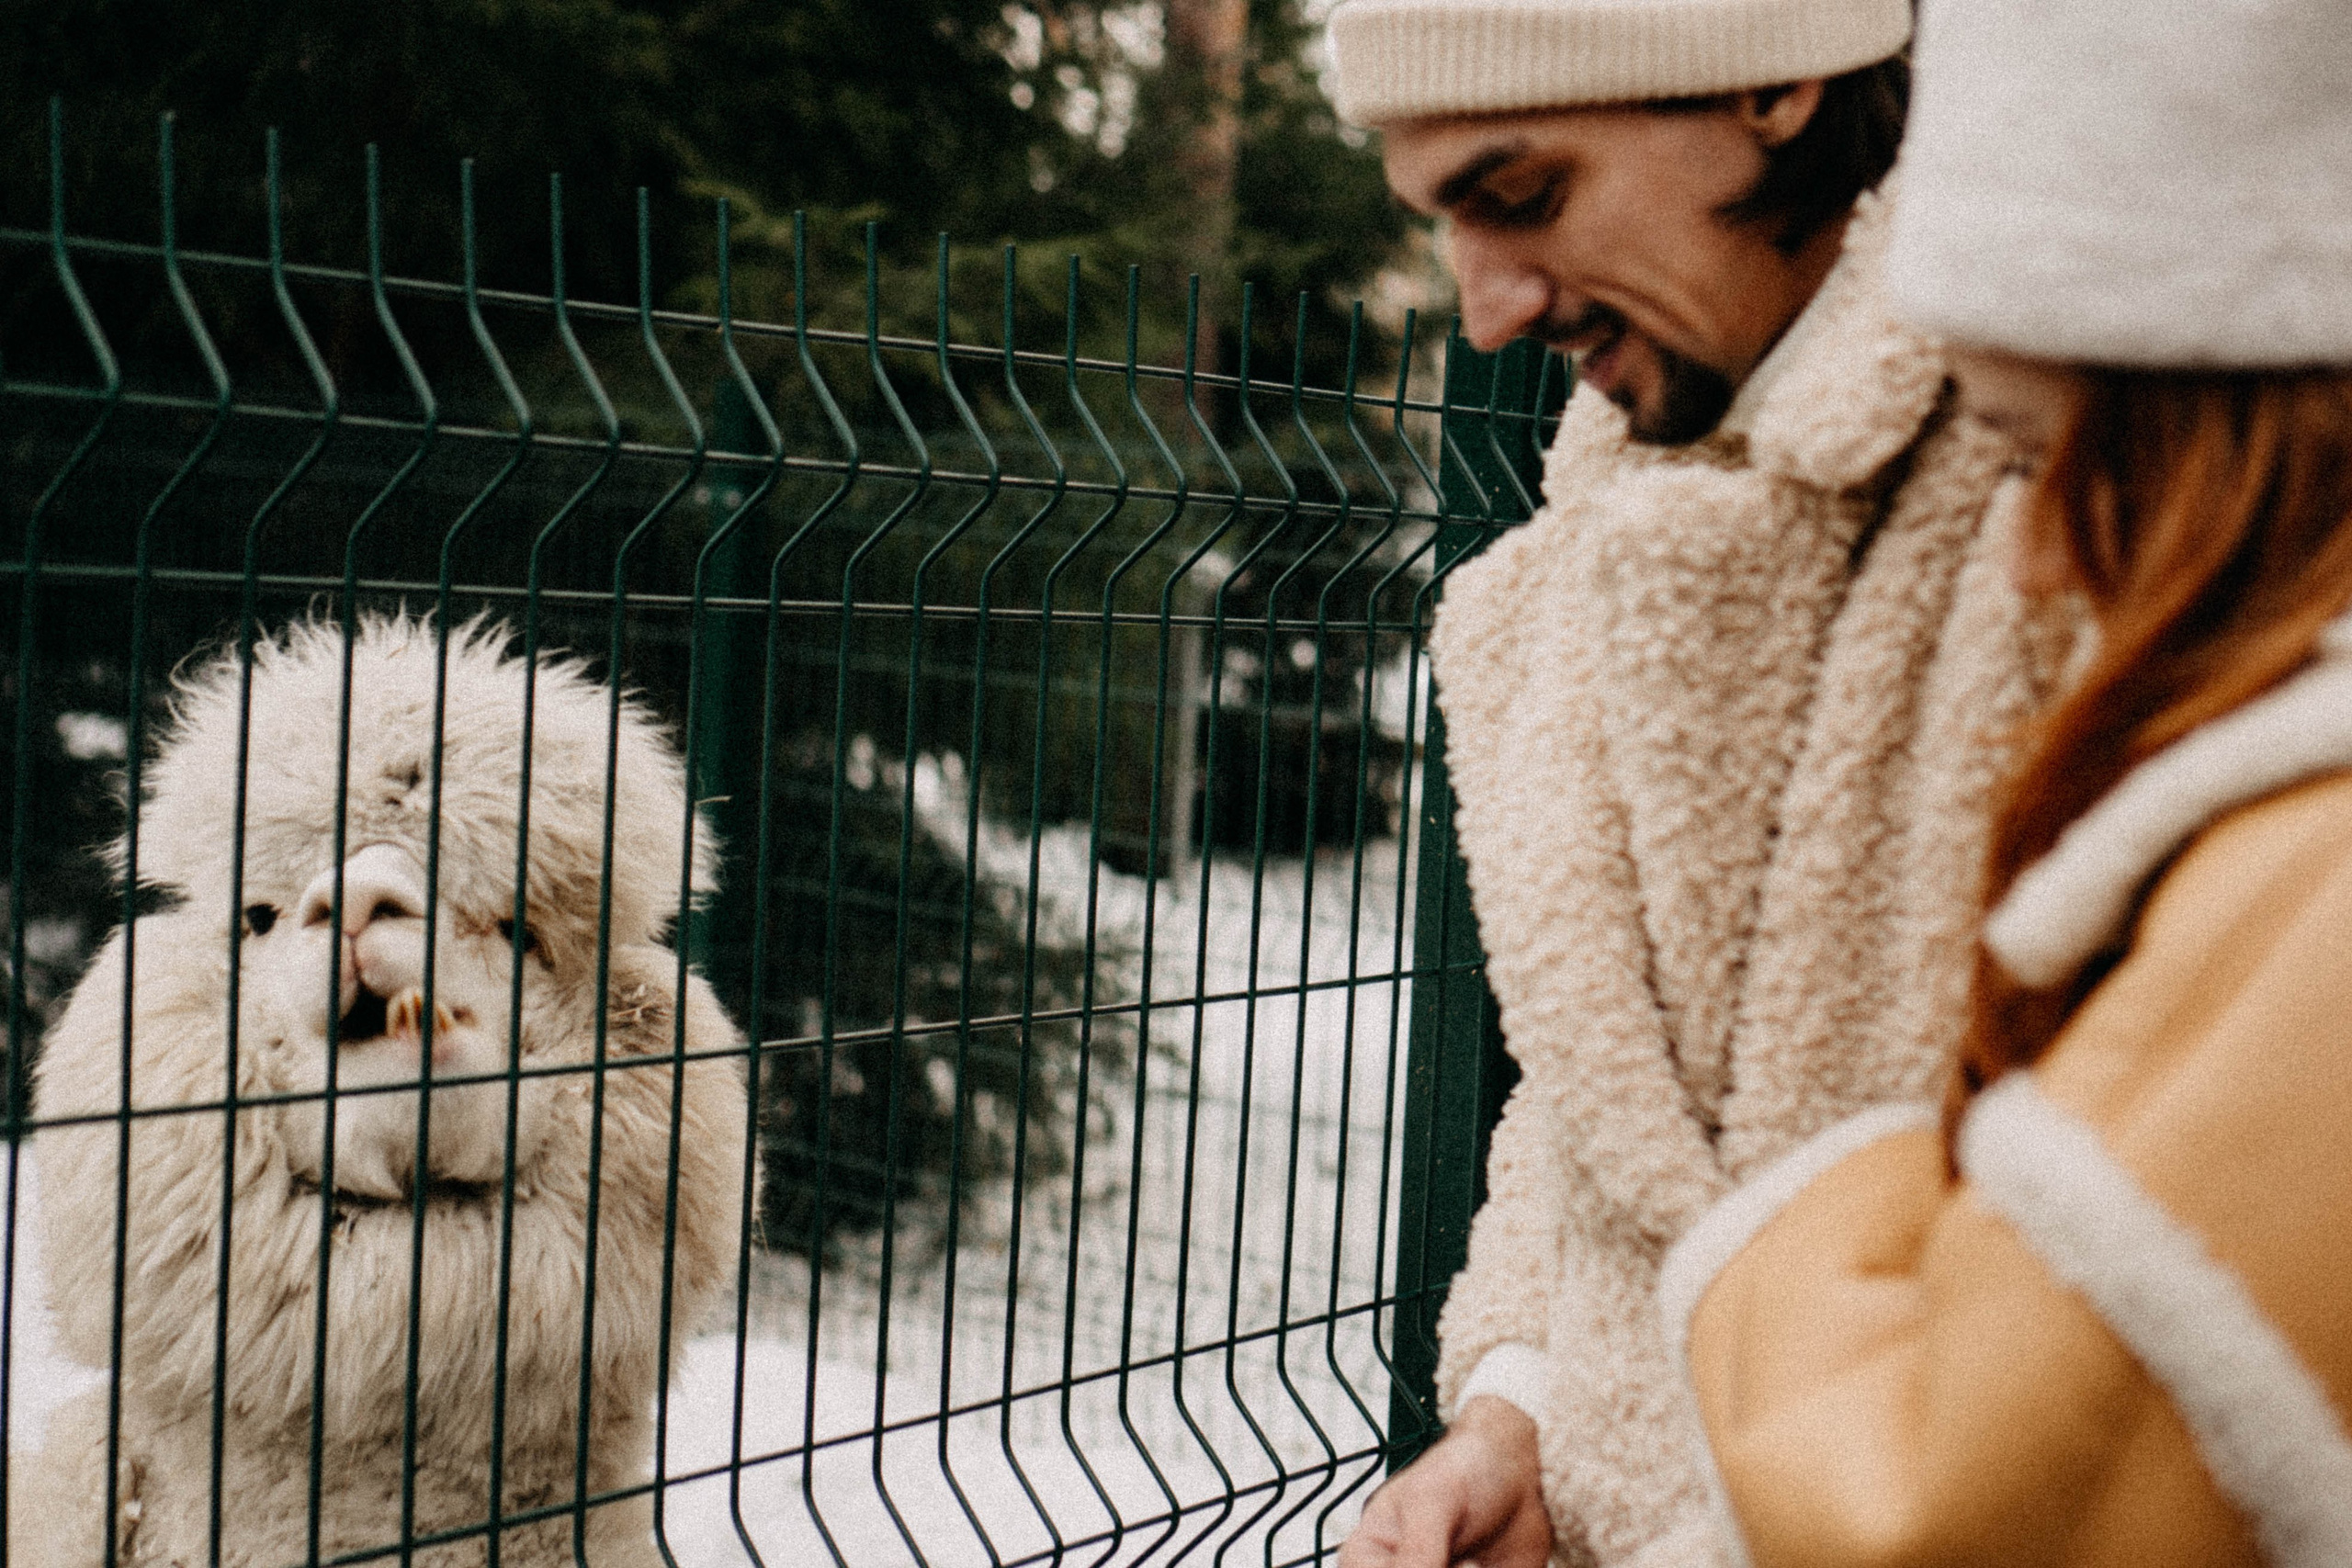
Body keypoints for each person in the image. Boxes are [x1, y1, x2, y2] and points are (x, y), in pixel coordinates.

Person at [1321, 2, 2075, 1564]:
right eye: (1440, 222)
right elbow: (1608, 1088)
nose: (1485, 309)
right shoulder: (1611, 520)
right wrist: (1523, 1411)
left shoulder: (2085, 499)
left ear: (1777, 80)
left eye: (1520, 194)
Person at [1657, 1, 2352, 1562]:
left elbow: (1959, 1509)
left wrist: (1814, 1228)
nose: (2030, 566)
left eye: (2038, 455)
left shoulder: (2318, 898)